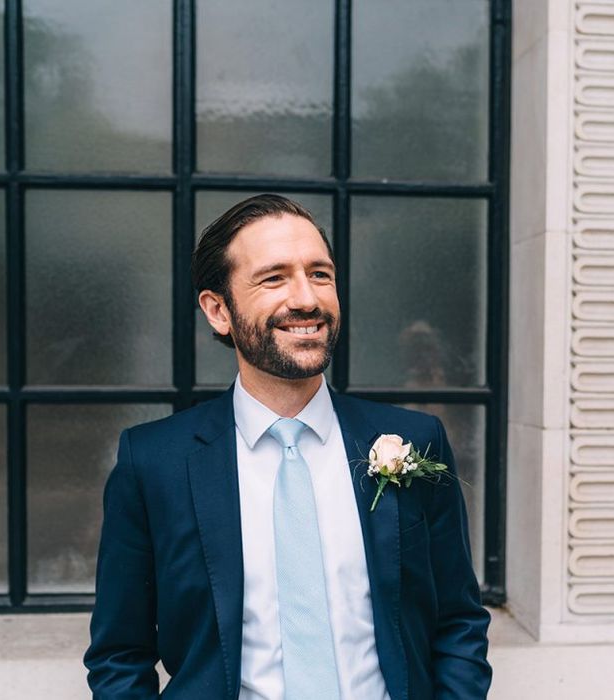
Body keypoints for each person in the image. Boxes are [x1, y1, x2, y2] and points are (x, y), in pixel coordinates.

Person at [84, 194, 492, 699]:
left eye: (320, 274)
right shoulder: (152, 463)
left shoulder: (415, 440)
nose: (307, 299)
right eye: (274, 277)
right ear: (218, 310)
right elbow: (120, 656)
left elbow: (458, 621)